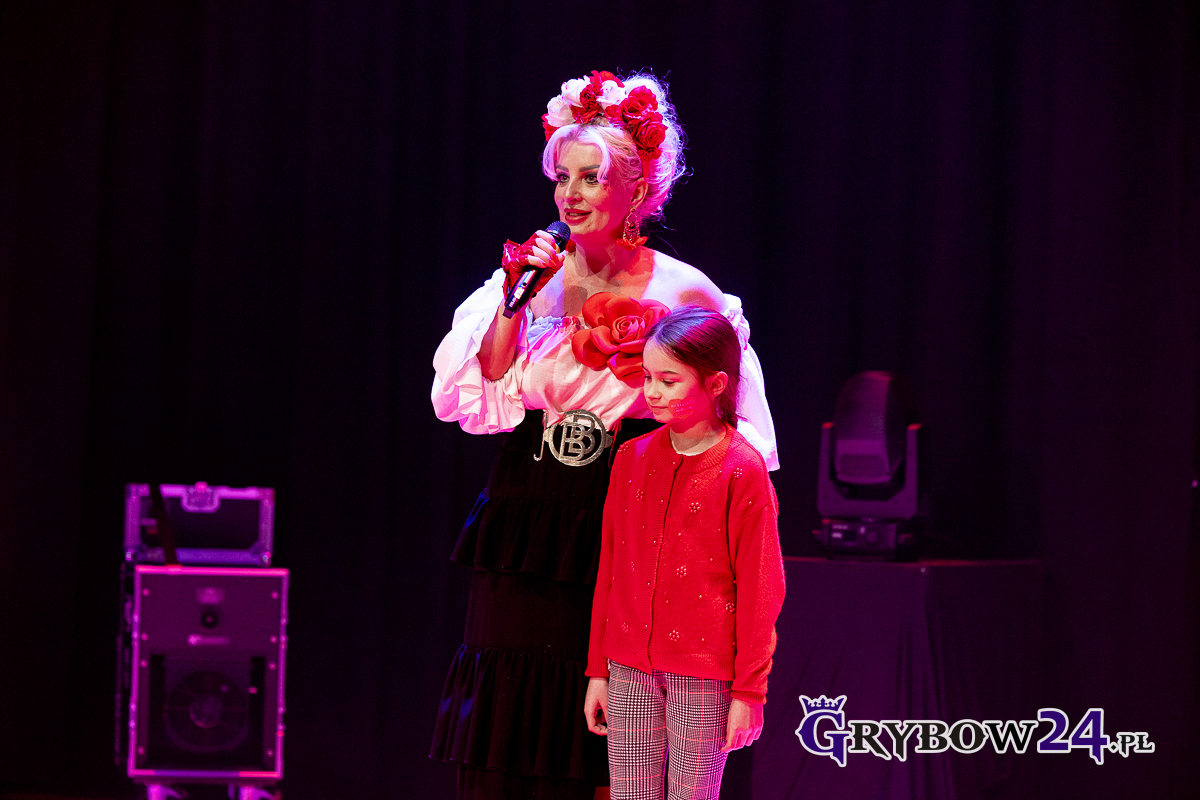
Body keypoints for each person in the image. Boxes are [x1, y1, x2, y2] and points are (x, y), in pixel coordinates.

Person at [430, 70, 778, 800]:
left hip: (624, 494)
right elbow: (488, 374)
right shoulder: (531, 276)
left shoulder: (682, 289)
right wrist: (516, 298)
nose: (571, 194)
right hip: (528, 502)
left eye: (591, 178)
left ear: (636, 188)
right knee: (513, 684)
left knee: (608, 704)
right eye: (563, 177)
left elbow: (729, 422)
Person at [583, 306, 786, 800]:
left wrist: (749, 692)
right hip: (628, 668)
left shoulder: (742, 470)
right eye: (648, 377)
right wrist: (598, 670)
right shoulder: (631, 457)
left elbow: (761, 589)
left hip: (704, 674)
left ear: (715, 384)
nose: (652, 392)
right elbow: (610, 570)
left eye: (669, 381)